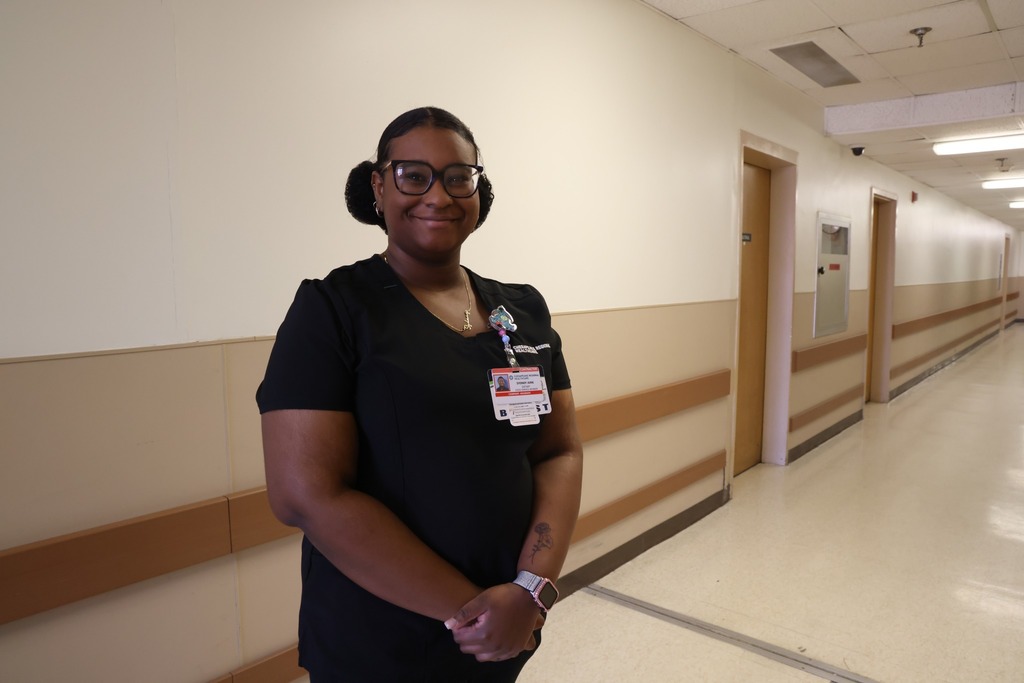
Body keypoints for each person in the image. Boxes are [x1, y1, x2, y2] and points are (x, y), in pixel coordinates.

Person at [257, 106, 584, 682]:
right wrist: (475, 614)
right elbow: (304, 496)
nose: (438, 194)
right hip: (384, 638)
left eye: (459, 176)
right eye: (413, 175)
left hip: (507, 619)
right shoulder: (334, 309)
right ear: (378, 188)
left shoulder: (521, 310)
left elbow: (558, 452)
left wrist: (530, 590)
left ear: (480, 191)